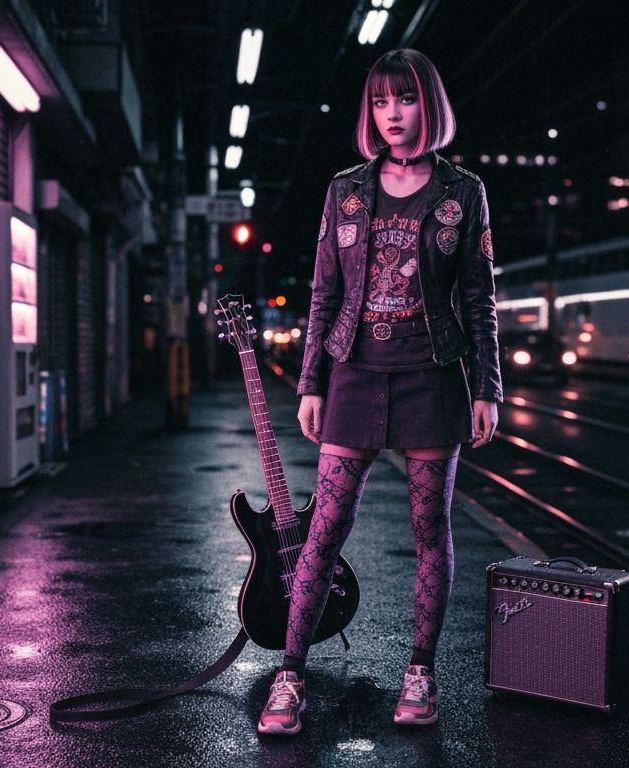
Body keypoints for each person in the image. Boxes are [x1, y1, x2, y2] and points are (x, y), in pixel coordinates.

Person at [257, 48, 501, 735]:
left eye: (406, 99)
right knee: (323, 531)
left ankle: (420, 673)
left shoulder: (463, 192)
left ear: (430, 106)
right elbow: (324, 294)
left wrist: (487, 385)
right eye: (380, 102)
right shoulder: (345, 191)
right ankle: (290, 674)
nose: (393, 114)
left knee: (430, 530)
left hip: (431, 377)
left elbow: (480, 297)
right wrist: (311, 382)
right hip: (355, 374)